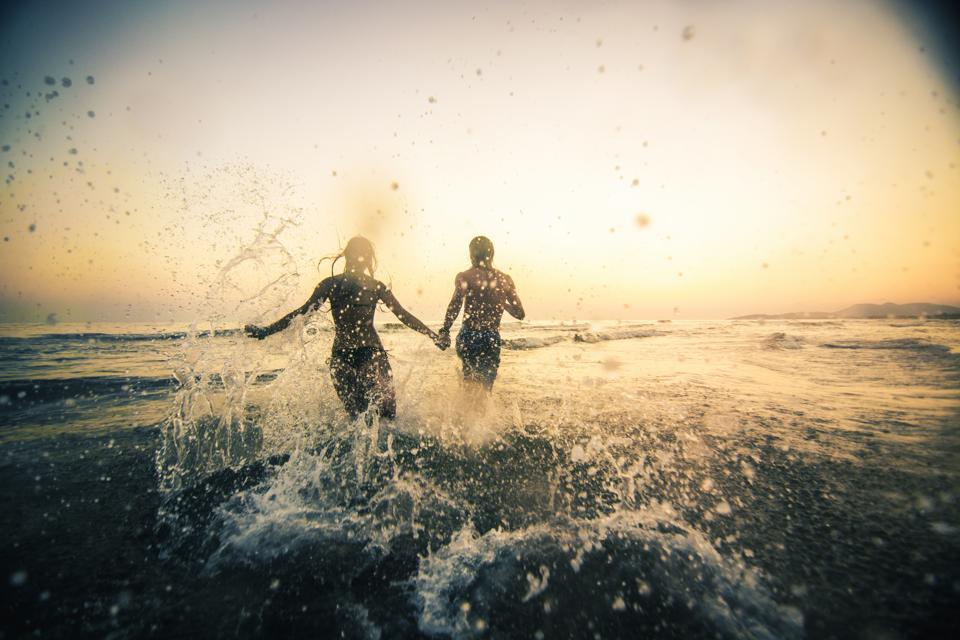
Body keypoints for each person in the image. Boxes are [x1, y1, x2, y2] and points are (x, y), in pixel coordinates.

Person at [245, 236, 440, 420]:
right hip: (371, 353)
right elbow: (403, 315)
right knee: (388, 417)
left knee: (357, 420)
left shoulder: (331, 284)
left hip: (342, 356)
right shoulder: (374, 286)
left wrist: (266, 331)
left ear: (346, 255)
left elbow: (301, 314)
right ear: (368, 259)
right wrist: (432, 335)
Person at [437, 236, 525, 391]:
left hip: (469, 336)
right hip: (491, 338)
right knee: (486, 389)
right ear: (492, 254)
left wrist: (445, 330)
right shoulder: (505, 279)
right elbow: (520, 313)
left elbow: (455, 305)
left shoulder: (465, 276)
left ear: (471, 254)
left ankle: (465, 407)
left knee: (469, 384)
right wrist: (502, 303)